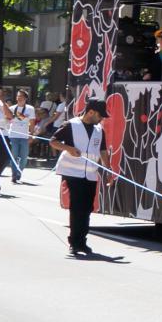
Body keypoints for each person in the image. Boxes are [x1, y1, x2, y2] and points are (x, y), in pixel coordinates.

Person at [50, 97, 108, 258]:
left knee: (87, 208)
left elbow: (103, 150)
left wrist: (108, 169)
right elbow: (53, 141)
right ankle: (74, 243)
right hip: (73, 173)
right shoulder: (71, 125)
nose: (102, 118)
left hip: (90, 173)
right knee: (77, 208)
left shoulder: (98, 129)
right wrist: (68, 148)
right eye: (100, 115)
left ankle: (82, 241)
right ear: (91, 112)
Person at [5, 88, 36, 183]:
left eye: (21, 96)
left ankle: (19, 172)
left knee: (23, 157)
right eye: (18, 96)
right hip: (13, 135)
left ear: (25, 98)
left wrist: (31, 134)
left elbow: (32, 122)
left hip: (24, 136)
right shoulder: (12, 108)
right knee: (14, 155)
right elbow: (7, 120)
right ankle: (14, 174)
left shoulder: (30, 109)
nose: (19, 98)